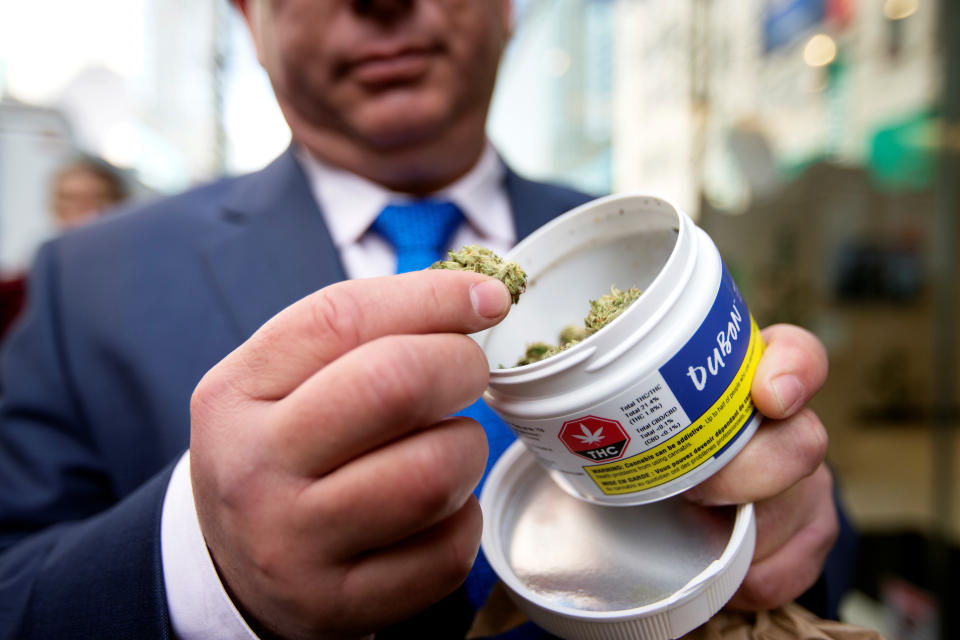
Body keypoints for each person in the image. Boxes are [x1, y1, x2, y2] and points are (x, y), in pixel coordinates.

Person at [0, 1, 851, 638]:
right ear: (246, 17)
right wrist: (204, 560)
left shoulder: (657, 258)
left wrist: (782, 517)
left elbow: (820, 556)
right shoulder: (94, 278)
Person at [0, 155, 127, 342]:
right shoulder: (34, 275)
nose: (82, 209)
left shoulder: (129, 273)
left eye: (96, 198)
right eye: (69, 198)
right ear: (54, 206)